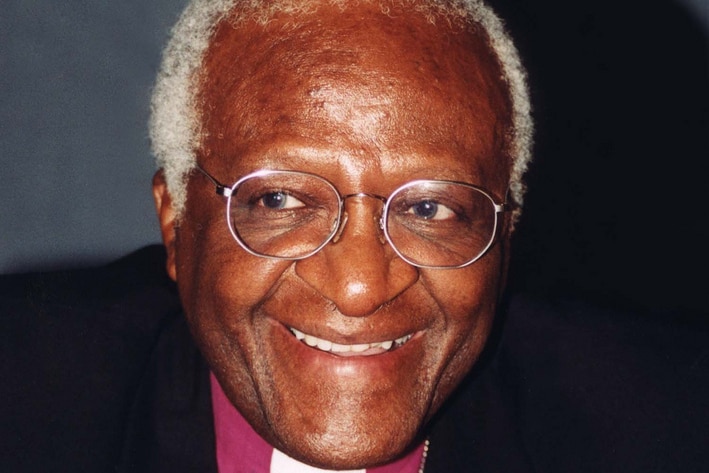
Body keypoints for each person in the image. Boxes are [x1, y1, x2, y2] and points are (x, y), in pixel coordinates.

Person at [1, 0, 707, 472]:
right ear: (176, 226)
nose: (362, 284)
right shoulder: (28, 396)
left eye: (430, 209)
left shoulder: (666, 425)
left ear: (504, 235)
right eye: (280, 198)